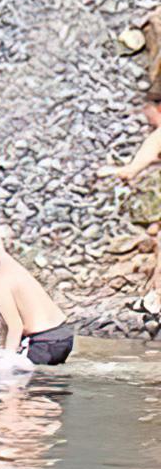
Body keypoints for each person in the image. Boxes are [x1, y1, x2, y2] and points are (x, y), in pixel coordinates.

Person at [97, 83, 161, 306]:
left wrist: (110, 171)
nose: (148, 121)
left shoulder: (158, 136)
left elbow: (130, 172)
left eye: (149, 115)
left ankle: (157, 301)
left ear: (158, 108)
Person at [0, 237, 72, 366]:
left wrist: (7, 362)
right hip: (65, 337)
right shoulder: (5, 261)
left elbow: (16, 327)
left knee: (13, 378)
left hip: (44, 343)